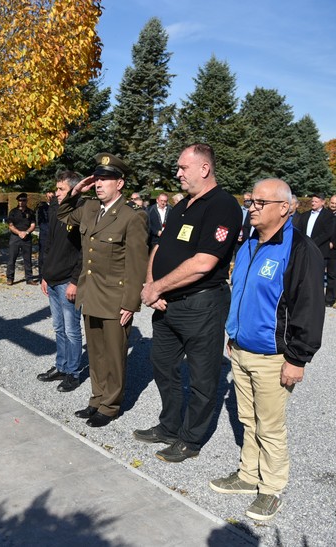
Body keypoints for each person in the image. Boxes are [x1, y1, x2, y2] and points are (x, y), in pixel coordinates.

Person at [211, 178, 325, 521]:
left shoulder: (301, 250)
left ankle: (272, 489)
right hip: (243, 350)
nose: (252, 207)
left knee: (270, 426)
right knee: (248, 419)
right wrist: (233, 335)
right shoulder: (248, 243)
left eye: (260, 202)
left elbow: (308, 308)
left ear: (285, 208)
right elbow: (243, 293)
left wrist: (297, 358)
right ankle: (248, 475)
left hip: (275, 357)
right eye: (251, 201)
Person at [135, 143, 242, 463]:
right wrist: (152, 286)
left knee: (202, 377)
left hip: (202, 306)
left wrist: (158, 288)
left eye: (183, 168)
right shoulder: (182, 206)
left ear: (204, 169)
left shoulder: (223, 206)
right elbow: (159, 246)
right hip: (167, 304)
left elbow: (204, 262)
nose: (178, 173)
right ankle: (168, 426)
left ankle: (191, 439)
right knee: (162, 365)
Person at [57, 152, 148, 427]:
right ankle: (96, 398)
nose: (99, 184)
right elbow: (61, 213)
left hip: (114, 297)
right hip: (91, 293)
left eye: (106, 179)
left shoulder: (132, 217)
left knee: (114, 355)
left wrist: (130, 303)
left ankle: (110, 405)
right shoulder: (90, 208)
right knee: (96, 354)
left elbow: (136, 264)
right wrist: (75, 190)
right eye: (97, 179)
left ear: (119, 184)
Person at [37, 171, 84, 392]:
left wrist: (75, 281)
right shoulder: (55, 210)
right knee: (58, 328)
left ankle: (73, 373)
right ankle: (61, 366)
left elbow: (85, 252)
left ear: (73, 190)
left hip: (68, 281)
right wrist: (44, 275)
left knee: (72, 330)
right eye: (56, 189)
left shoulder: (82, 211)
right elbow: (49, 245)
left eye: (61, 189)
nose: (56, 193)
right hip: (53, 279)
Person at [6, 193, 37, 285]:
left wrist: (26, 232)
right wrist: (19, 233)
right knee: (12, 258)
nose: (21, 202)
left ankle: (29, 279)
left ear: (26, 201)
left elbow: (33, 225)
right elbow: (10, 225)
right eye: (20, 200)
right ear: (17, 201)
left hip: (27, 238)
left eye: (23, 200)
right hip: (15, 237)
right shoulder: (13, 212)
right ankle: (10, 278)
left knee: (27, 259)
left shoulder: (30, 212)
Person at [293, 193, 333, 264]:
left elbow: (327, 233)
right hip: (305, 250)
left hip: (320, 250)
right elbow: (300, 230)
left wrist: (312, 243)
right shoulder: (305, 215)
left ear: (322, 202)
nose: (313, 203)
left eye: (316, 202)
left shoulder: (328, 215)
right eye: (312, 201)